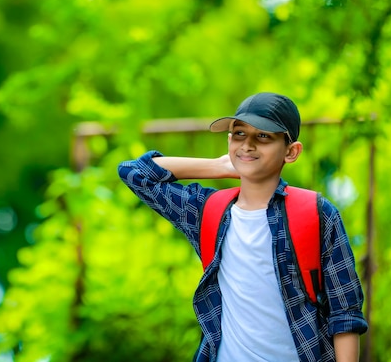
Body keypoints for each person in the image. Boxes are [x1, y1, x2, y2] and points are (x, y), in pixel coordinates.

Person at [117, 92, 368, 362]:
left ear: (291, 151)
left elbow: (345, 314)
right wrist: (218, 166)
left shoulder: (317, 214)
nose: (247, 145)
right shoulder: (207, 210)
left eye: (263, 136)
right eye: (239, 134)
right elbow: (135, 173)